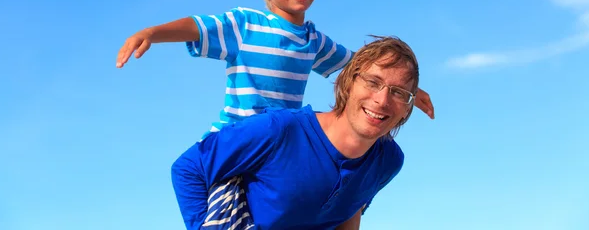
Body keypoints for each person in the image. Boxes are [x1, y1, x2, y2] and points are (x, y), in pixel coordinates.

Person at [115, 0, 434, 228]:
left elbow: (360, 68)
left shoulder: (313, 40)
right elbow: (199, 27)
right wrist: (152, 34)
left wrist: (409, 90)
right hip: (238, 143)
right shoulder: (245, 26)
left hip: (284, 150)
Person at [172, 36, 420, 230]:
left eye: (399, 92)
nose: (382, 100)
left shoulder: (388, 160)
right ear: (349, 81)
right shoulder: (279, 130)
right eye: (373, 82)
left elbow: (351, 207)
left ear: (407, 107)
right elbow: (189, 167)